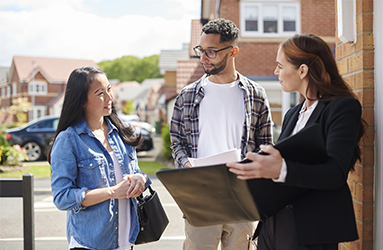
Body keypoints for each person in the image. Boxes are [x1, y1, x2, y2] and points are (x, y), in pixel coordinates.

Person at [227, 34, 366, 250]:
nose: (276, 72)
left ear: (302, 70)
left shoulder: (342, 107)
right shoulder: (293, 114)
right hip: (273, 224)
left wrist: (281, 169)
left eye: (280, 66)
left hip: (310, 229)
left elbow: (335, 173)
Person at [170, 18, 273, 250]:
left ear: (233, 51)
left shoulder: (256, 94)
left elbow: (266, 144)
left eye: (211, 52)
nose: (203, 58)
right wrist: (186, 166)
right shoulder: (186, 96)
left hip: (242, 197)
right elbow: (177, 142)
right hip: (201, 197)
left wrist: (253, 170)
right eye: (200, 50)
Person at [48, 66, 151, 250]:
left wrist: (140, 178)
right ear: (81, 101)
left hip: (126, 240)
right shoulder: (69, 140)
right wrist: (112, 192)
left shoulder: (121, 133)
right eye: (99, 93)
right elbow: (62, 197)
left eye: (109, 89)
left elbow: (136, 171)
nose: (109, 97)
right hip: (90, 243)